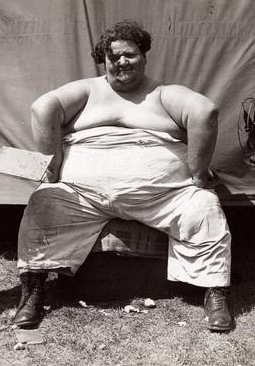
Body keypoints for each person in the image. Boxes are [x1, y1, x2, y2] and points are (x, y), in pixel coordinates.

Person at [15, 20, 233, 331]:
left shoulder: (161, 94)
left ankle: (215, 294)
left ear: (144, 56)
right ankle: (33, 290)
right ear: (103, 60)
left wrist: (198, 174)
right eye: (113, 57)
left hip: (163, 196)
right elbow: (43, 108)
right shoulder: (88, 91)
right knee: (42, 203)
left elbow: (204, 111)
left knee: (204, 208)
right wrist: (53, 168)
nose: (121, 62)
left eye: (129, 55)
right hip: (83, 194)